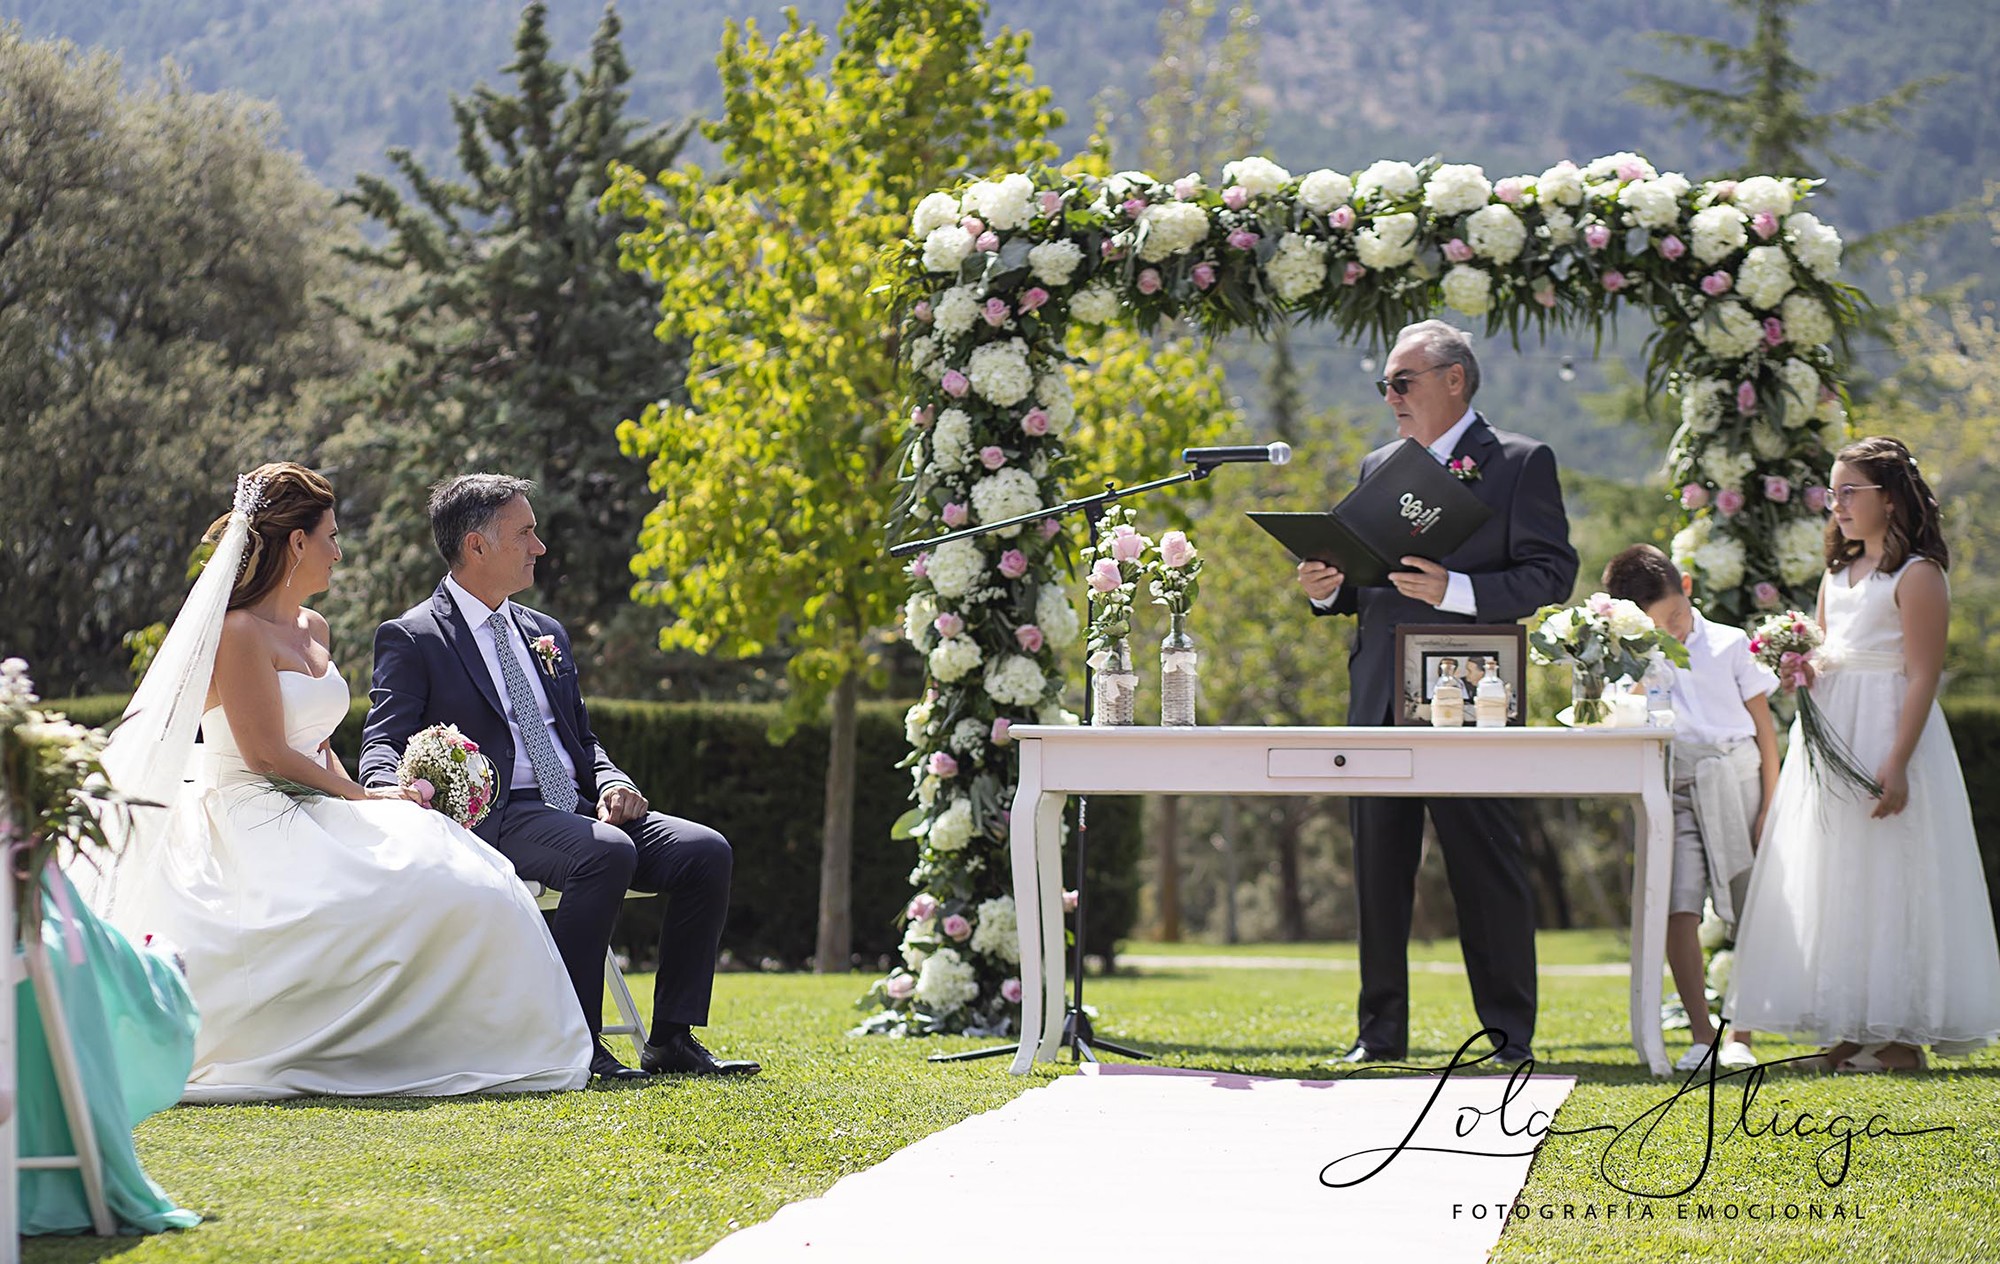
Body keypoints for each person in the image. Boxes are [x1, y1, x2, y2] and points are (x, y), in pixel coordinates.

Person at [87, 463, 592, 1100]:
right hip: (250, 811)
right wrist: (362, 798)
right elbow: (268, 754)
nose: (338, 550)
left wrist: (376, 798)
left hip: (317, 801)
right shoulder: (239, 633)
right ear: (296, 544)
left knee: (461, 872)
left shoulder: (314, 628)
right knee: (381, 893)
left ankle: (466, 1037)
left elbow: (320, 747)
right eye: (329, 536)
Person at [362, 475, 759, 1080]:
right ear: (476, 546)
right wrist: (394, 792)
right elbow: (383, 740)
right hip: (497, 817)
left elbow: (582, 739)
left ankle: (673, 1039)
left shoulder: (546, 632)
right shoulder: (414, 636)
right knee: (605, 853)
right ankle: (577, 1042)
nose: (539, 546)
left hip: (576, 808)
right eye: (525, 532)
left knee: (705, 851)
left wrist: (611, 782)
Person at [1297, 321, 1578, 1067]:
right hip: (1380, 695)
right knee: (1378, 872)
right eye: (1384, 384)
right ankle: (1379, 1036)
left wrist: (1458, 589)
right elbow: (1368, 585)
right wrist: (1329, 590)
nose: (1389, 396)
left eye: (1402, 381)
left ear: (1455, 380)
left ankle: (1509, 1038)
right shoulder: (1379, 462)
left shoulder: (1519, 462)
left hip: (1471, 689)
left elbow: (1552, 575)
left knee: (1486, 867)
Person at [1727, 437, 2000, 1072]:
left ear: (1890, 497)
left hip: (1887, 731)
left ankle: (1901, 1036)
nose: (1837, 504)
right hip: (1832, 734)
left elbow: (1923, 674)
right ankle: (1851, 1028)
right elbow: (1831, 652)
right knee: (1840, 874)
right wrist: (1800, 663)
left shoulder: (1918, 575)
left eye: (1851, 491)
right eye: (1834, 491)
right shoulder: (1836, 574)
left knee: (1893, 873)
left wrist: (1898, 762)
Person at [1602, 544, 1779, 1072]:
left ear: (1687, 586)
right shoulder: (1630, 655)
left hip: (1738, 778)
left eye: (1675, 616)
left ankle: (1741, 1032)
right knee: (1678, 904)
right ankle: (1702, 1034)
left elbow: (1765, 731)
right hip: (1674, 785)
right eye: (1658, 626)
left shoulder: (1730, 644)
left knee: (1750, 907)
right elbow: (1620, 714)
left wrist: (1770, 803)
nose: (1672, 630)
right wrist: (1635, 657)